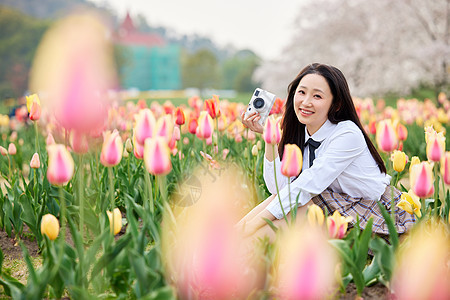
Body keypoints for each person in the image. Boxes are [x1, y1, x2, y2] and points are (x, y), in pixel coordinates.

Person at [238, 63, 416, 242]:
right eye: (302, 92)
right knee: (297, 203)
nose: (306, 102)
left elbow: (306, 186)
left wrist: (254, 224)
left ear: (336, 104)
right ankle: (235, 237)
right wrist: (270, 139)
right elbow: (280, 189)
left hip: (372, 214)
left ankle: (241, 245)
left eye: (317, 96)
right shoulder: (303, 133)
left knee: (303, 205)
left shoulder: (347, 134)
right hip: (333, 205)